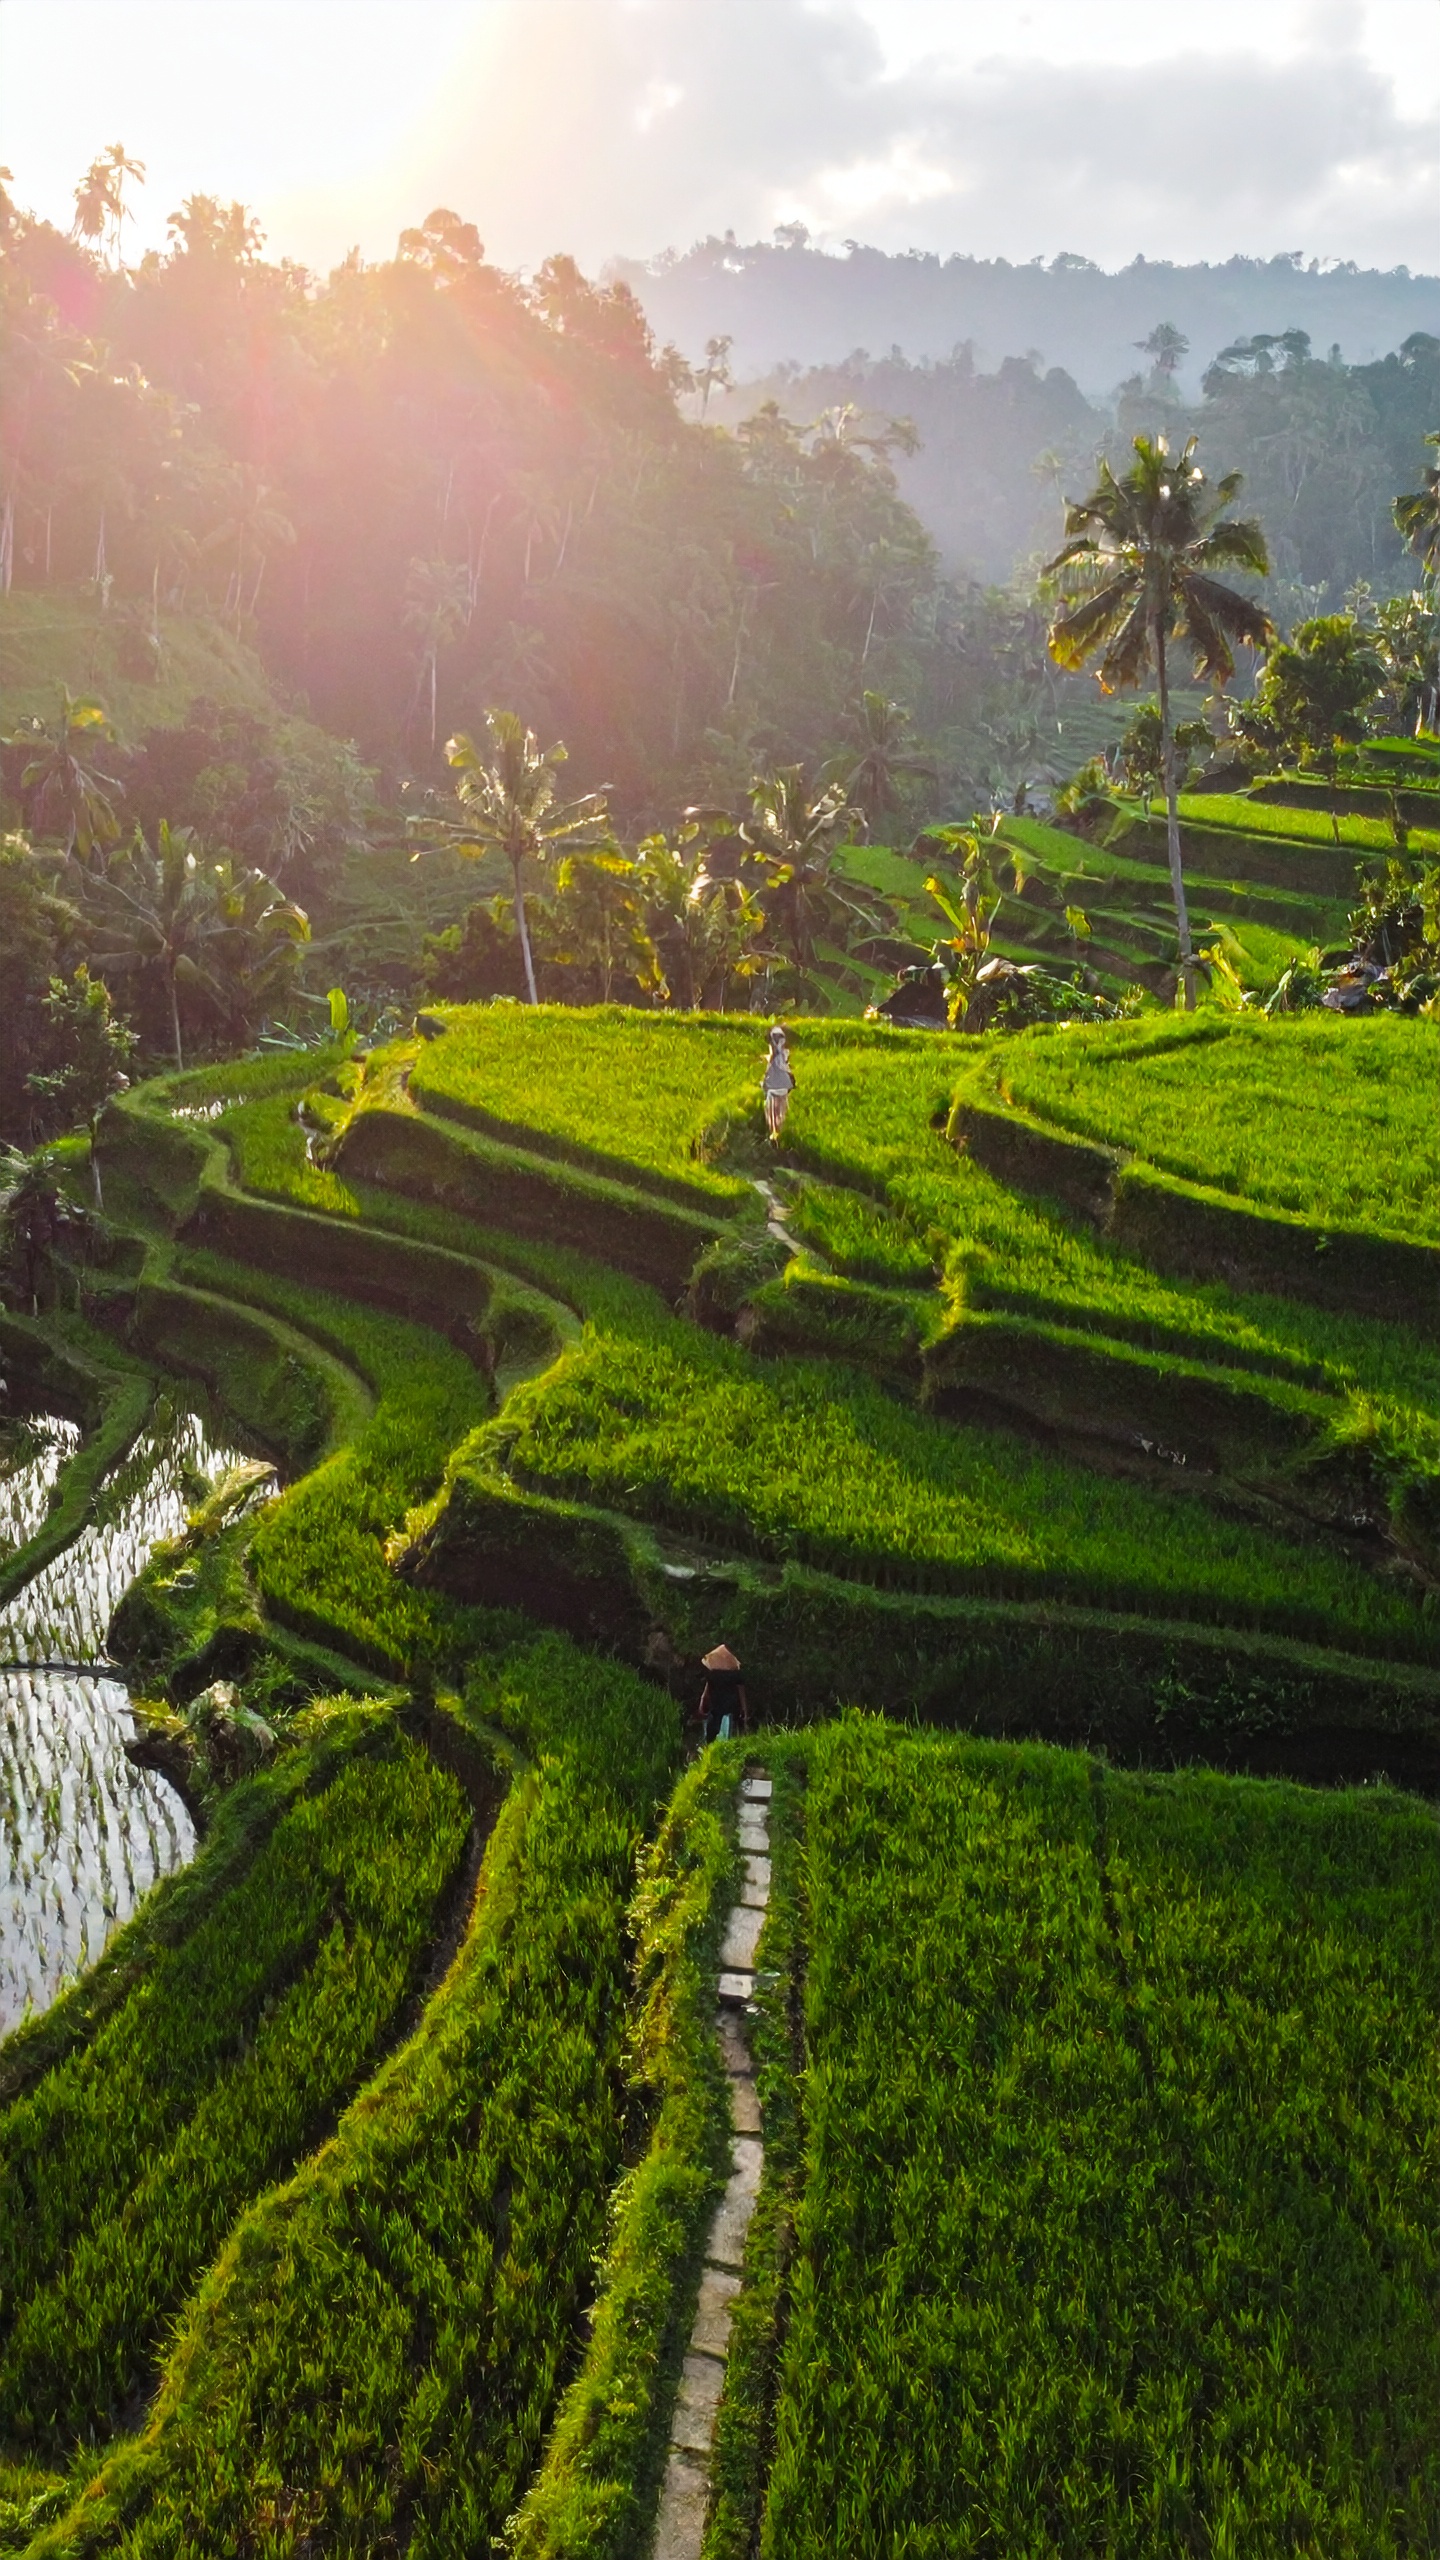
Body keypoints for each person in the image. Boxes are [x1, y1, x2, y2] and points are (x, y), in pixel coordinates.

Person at [697, 1642, 749, 1743]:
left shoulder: (713, 1673)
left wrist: (702, 1703)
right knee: (728, 1727)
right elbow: (741, 1691)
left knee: (712, 1728)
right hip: (730, 1703)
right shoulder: (734, 1673)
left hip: (716, 1702)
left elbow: (706, 1690)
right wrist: (744, 1709)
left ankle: (709, 1747)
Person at [762, 1023, 794, 1143]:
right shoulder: (782, 1053)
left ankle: (776, 1131)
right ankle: (775, 1131)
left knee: (774, 1108)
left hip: (776, 1084)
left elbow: (780, 1065)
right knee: (775, 1108)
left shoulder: (780, 1054)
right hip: (778, 1085)